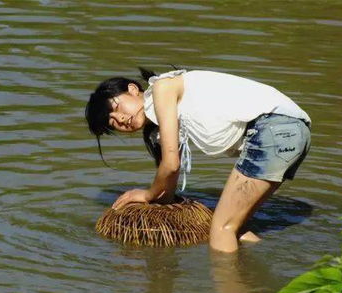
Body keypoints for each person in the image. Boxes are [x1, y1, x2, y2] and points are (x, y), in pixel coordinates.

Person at [85, 67, 311, 253]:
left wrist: (147, 194)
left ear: (133, 89)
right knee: (235, 228)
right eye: (112, 122)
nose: (121, 118)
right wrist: (161, 199)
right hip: (293, 131)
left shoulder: (163, 89)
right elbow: (170, 175)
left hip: (274, 128)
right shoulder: (163, 121)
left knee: (221, 229)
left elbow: (171, 164)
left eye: (116, 107)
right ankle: (267, 268)